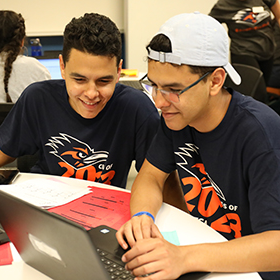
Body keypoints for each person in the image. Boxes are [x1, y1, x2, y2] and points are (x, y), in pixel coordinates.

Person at [116, 12, 280, 280]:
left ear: (215, 81)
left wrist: (183, 257)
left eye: (173, 89)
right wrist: (142, 217)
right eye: (153, 86)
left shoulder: (261, 134)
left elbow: (276, 246)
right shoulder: (177, 118)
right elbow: (150, 177)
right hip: (206, 255)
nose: (158, 102)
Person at [0, 13, 160, 189]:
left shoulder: (137, 109)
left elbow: (155, 178)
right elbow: (1, 151)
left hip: (102, 211)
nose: (91, 93)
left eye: (104, 81)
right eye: (79, 79)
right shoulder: (38, 97)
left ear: (119, 70)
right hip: (43, 204)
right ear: (62, 67)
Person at [209, 0, 280, 103]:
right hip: (243, 52)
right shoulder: (223, 5)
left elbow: (278, 17)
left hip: (267, 51)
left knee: (263, 91)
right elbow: (210, 26)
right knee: (256, 93)